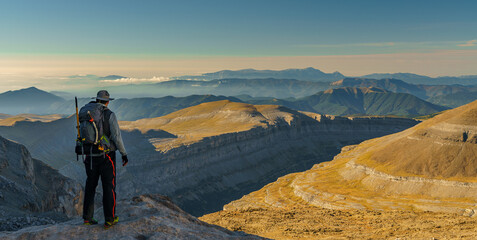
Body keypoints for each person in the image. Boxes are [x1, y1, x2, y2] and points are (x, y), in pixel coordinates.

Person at [81, 90, 129, 229]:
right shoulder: (109, 115)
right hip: (106, 156)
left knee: (91, 185)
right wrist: (123, 154)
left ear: (97, 100)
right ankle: (109, 219)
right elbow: (117, 137)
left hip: (89, 155)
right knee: (108, 186)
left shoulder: (87, 113)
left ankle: (87, 218)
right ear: (107, 102)